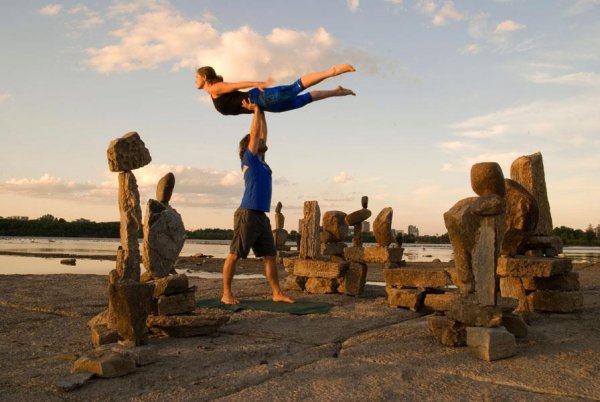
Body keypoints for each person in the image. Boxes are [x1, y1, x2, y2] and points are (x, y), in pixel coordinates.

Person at [221, 99, 294, 305]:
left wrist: (261, 110)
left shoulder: (262, 162)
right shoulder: (249, 158)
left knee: (270, 256)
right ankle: (226, 294)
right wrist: (254, 111)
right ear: (249, 147)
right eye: (257, 140)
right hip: (247, 213)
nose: (262, 139)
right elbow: (255, 134)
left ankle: (276, 293)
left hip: (261, 216)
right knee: (235, 255)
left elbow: (262, 134)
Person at [196, 64, 356, 116]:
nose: (195, 80)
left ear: (204, 77)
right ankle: (336, 91)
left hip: (260, 99)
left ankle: (331, 72)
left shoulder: (214, 89)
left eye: (197, 77)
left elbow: (236, 85)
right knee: (304, 99)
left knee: (295, 88)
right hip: (264, 106)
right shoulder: (213, 93)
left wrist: (257, 82)